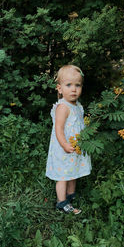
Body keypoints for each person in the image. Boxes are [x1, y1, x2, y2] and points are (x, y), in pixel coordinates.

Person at [46, 65, 91, 214]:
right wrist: (65, 144)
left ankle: (71, 195)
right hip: (63, 147)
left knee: (73, 171)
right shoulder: (63, 107)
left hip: (75, 147)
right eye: (69, 85)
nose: (73, 89)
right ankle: (61, 202)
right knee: (63, 175)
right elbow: (58, 129)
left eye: (77, 85)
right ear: (59, 88)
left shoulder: (78, 106)